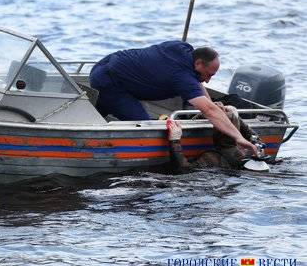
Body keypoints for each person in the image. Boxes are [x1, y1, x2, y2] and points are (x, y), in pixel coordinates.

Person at [90, 40, 257, 154]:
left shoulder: (183, 48)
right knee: (145, 127)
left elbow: (199, 87)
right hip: (110, 81)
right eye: (208, 74)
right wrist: (238, 137)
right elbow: (208, 110)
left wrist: (210, 102)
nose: (208, 80)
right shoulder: (181, 76)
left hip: (105, 66)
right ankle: (93, 143)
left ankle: (91, 122)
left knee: (99, 112)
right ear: (198, 63)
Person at [166, 104, 262, 171]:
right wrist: (236, 118)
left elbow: (183, 169)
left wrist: (175, 140)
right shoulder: (250, 151)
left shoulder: (213, 159)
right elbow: (255, 139)